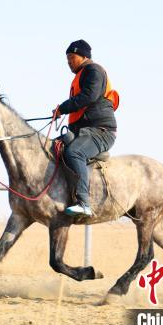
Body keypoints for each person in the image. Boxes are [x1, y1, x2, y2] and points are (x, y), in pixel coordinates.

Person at [53, 39, 118, 217]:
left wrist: (63, 108)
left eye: (72, 57)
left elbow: (89, 96)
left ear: (83, 56)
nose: (69, 62)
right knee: (54, 147)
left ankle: (84, 202)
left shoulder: (93, 70)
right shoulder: (80, 74)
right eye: (67, 59)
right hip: (85, 131)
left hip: (101, 131)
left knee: (74, 152)